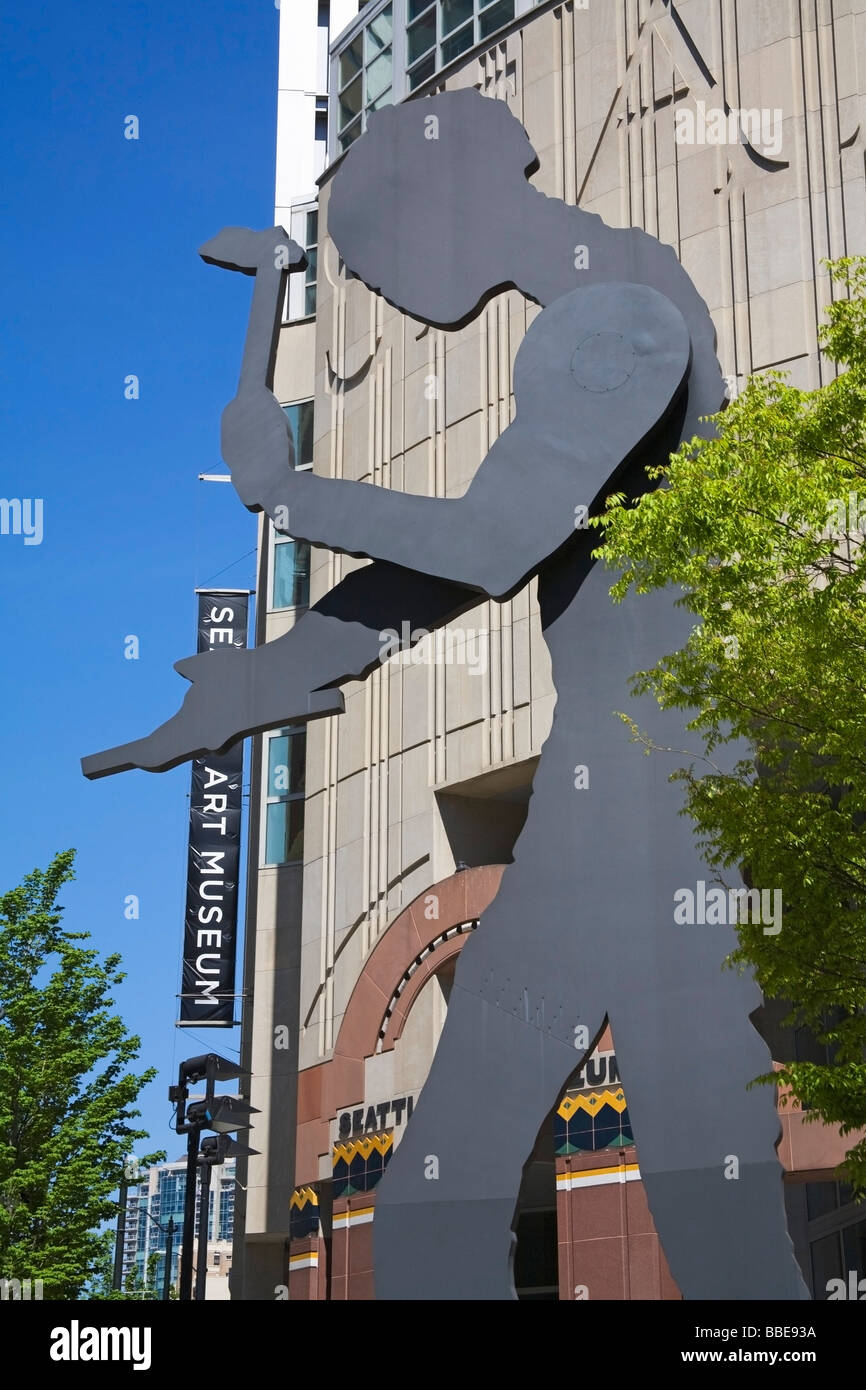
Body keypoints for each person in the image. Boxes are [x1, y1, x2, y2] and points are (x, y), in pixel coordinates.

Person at [83, 90, 808, 1300]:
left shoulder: (616, 313)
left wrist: (292, 496)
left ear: (440, 219)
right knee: (668, 1172)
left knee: (459, 1200)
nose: (382, 290)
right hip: (629, 780)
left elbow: (488, 542)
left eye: (374, 260)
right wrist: (261, 681)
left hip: (657, 788)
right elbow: (451, 570)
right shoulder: (609, 297)